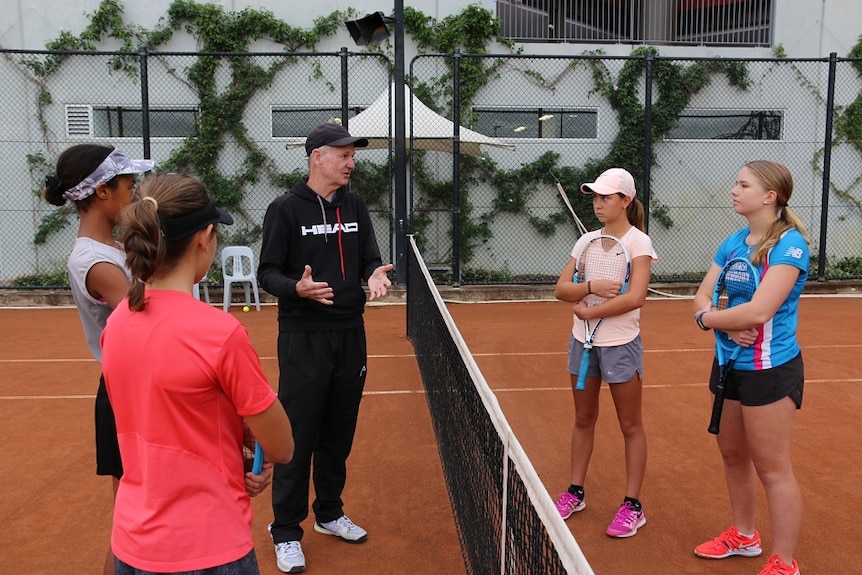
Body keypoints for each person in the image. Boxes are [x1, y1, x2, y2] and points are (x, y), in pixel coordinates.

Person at [100, 172, 294, 575]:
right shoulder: (220, 334)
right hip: (210, 546)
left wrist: (233, 439)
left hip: (133, 546)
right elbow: (282, 446)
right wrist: (248, 441)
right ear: (204, 238)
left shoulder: (117, 321)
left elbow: (166, 416)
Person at [258, 122, 393, 573]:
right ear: (317, 156)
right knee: (298, 433)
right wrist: (297, 288)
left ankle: (330, 513)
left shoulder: (355, 204)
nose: (352, 162)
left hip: (350, 332)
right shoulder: (284, 209)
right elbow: (267, 273)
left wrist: (374, 273)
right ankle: (286, 530)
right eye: (344, 155)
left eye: (353, 155)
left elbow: (371, 256)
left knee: (338, 430)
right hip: (303, 336)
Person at [692, 160, 809, 575]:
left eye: (743, 184)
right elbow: (701, 296)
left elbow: (759, 312)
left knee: (772, 468)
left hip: (771, 368)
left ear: (770, 196)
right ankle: (745, 536)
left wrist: (712, 320)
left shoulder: (790, 246)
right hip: (728, 364)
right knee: (732, 455)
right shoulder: (733, 243)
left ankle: (784, 561)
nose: (734, 190)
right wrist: (719, 323)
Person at [42, 144, 153, 575]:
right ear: (103, 192)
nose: (136, 192)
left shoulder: (115, 246)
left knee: (146, 509)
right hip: (128, 392)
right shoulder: (93, 261)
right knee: (131, 514)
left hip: (143, 385)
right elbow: (149, 312)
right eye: (129, 185)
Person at [552, 168, 657, 538]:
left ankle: (632, 505)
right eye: (595, 197)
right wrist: (592, 287)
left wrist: (590, 310)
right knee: (583, 418)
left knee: (630, 425)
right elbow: (562, 289)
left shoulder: (639, 243)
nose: (597, 204)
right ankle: (575, 492)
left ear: (626, 201)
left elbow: (635, 297)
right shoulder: (585, 243)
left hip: (621, 345)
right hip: (582, 343)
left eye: (605, 197)